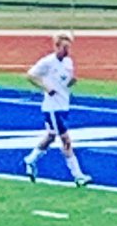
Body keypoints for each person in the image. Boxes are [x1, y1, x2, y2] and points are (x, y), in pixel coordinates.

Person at [22, 32, 91, 186]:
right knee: (66, 140)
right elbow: (31, 75)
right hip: (52, 107)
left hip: (64, 105)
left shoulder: (68, 63)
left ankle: (30, 160)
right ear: (57, 46)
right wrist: (47, 88)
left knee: (51, 137)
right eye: (64, 47)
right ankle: (78, 175)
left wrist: (71, 82)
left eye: (69, 47)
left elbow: (66, 81)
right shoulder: (47, 62)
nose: (67, 51)